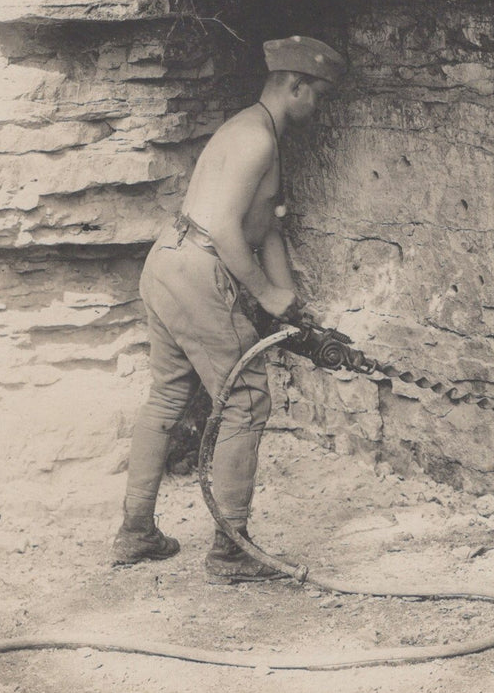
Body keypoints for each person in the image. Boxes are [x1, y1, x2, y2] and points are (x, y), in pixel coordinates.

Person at [110, 35, 344, 582]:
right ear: (295, 85)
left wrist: (290, 305)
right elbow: (224, 231)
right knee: (245, 400)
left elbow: (269, 229)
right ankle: (231, 552)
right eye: (319, 96)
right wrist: (265, 295)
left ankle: (136, 533)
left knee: (168, 394)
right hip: (198, 269)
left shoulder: (250, 128)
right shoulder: (257, 141)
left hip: (168, 261)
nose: (320, 108)